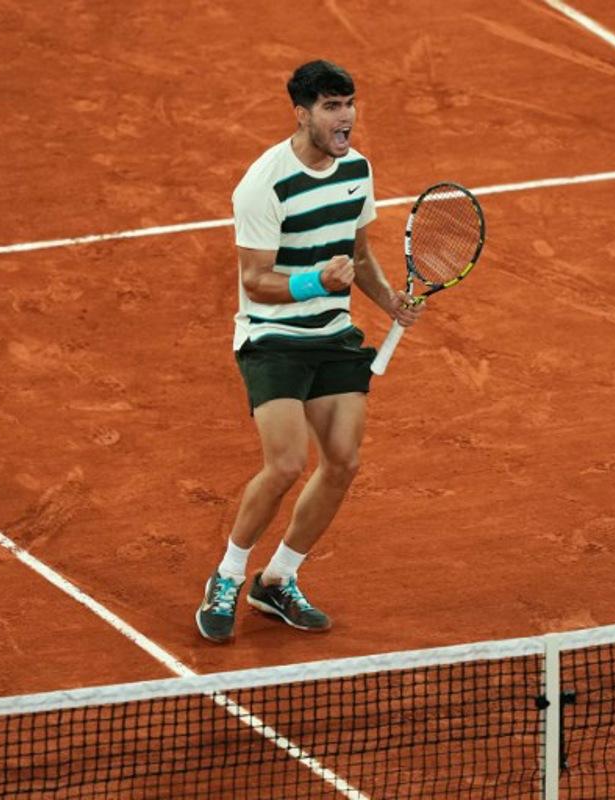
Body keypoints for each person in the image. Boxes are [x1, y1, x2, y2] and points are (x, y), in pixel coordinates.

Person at [196, 60, 422, 644]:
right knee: (287, 464)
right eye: (330, 106)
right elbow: (254, 280)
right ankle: (227, 577)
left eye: (348, 103)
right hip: (272, 339)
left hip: (333, 333)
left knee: (343, 462)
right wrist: (313, 284)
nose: (344, 116)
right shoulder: (263, 183)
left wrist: (388, 299)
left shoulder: (358, 169)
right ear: (302, 113)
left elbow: (358, 250)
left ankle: (278, 580)